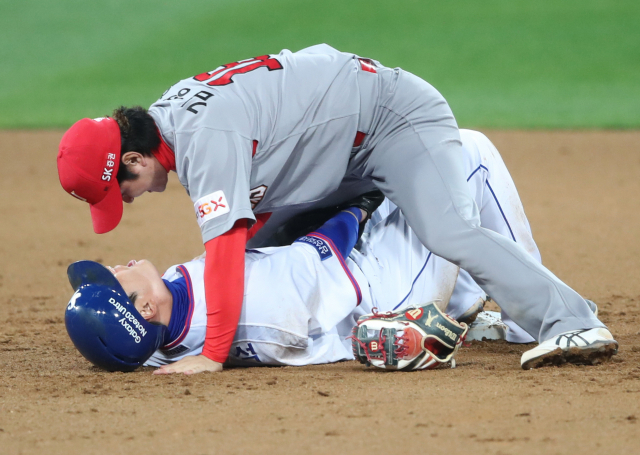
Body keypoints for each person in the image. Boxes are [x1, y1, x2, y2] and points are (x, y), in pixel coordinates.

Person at [57, 45, 615, 374]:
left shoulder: (204, 138)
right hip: (343, 153)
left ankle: (572, 322)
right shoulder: (172, 119)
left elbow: (223, 246)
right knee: (263, 241)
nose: (125, 202)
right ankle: (476, 303)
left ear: (132, 156)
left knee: (447, 227)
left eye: (119, 190)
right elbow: (248, 235)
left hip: (391, 119)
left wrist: (213, 354)